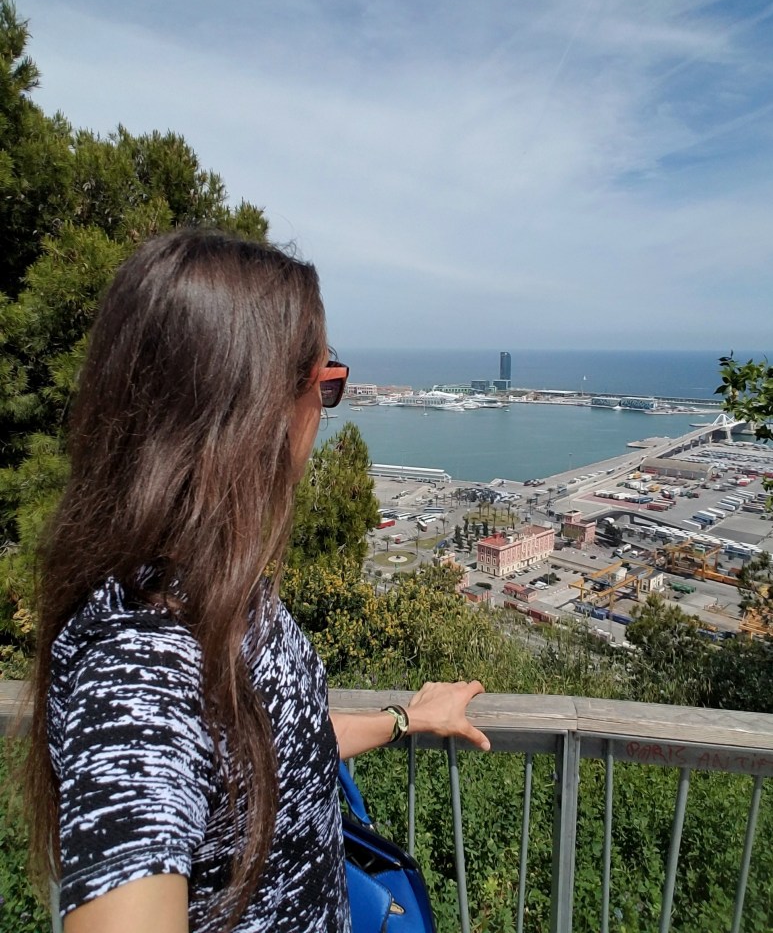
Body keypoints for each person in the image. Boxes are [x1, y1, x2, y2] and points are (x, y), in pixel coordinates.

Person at [25, 229, 490, 933]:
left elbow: (265, 749)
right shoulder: (145, 655)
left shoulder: (202, 583)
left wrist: (404, 719)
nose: (325, 415)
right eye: (327, 385)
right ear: (256, 407)